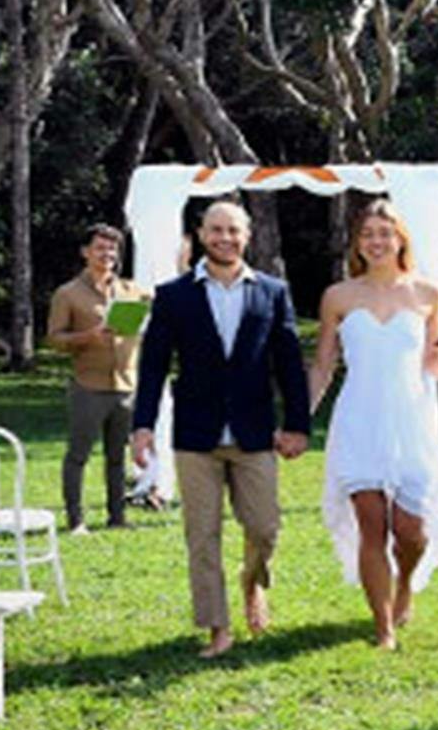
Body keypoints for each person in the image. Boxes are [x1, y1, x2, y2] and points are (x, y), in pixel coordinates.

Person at [130, 200, 311, 658]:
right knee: (202, 535)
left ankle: (253, 583)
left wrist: (297, 424)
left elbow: (289, 363)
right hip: (196, 436)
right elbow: (152, 366)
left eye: (233, 230)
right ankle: (217, 626)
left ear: (247, 235)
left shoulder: (272, 291)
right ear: (202, 233)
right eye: (215, 230)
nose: (224, 237)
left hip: (254, 434)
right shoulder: (174, 295)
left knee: (265, 527)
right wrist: (142, 425)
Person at [307, 198, 438, 649]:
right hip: (358, 421)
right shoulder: (338, 296)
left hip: (412, 423)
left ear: (400, 238)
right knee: (372, 526)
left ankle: (405, 583)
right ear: (356, 243)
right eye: (367, 234)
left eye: (384, 233)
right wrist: (298, 419)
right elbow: (324, 365)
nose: (376, 242)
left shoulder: (427, 294)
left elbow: (433, 361)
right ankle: (382, 627)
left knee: (411, 532)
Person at [46, 223, 151, 533]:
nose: (107, 254)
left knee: (117, 457)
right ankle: (75, 520)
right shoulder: (68, 294)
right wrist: (89, 336)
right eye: (100, 248)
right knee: (78, 455)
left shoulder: (132, 290)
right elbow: (54, 339)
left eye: (112, 249)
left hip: (125, 386)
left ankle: (117, 518)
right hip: (88, 386)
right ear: (85, 252)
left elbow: (164, 305)